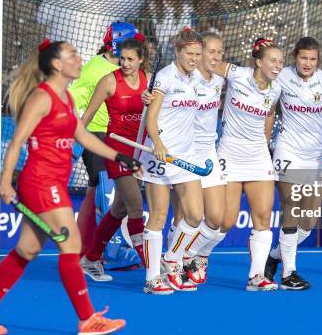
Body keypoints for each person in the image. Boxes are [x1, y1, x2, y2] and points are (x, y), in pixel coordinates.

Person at [0, 40, 141, 335]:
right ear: (57, 65)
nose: (78, 58)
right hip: (41, 182)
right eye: (71, 55)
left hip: (53, 182)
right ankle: (88, 319)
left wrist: (117, 155)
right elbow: (16, 142)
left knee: (26, 250)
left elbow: (82, 136)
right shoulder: (41, 98)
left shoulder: (67, 98)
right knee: (71, 246)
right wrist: (7, 180)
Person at [266, 36, 322, 290]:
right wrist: (264, 143)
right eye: (303, 58)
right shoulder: (282, 76)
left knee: (309, 222)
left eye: (312, 59)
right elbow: (269, 109)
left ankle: (274, 257)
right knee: (291, 208)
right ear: (296, 57)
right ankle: (289, 273)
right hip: (287, 150)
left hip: (315, 155)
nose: (308, 63)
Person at [153, 32, 228, 285]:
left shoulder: (218, 80)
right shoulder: (185, 77)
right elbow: (159, 99)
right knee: (182, 216)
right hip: (184, 150)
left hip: (208, 151)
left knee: (217, 219)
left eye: (220, 52)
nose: (215, 57)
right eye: (211, 52)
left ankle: (189, 255)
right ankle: (172, 263)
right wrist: (147, 98)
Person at [214, 38, 283, 291]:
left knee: (264, 217)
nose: (278, 65)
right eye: (273, 60)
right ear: (259, 61)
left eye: (280, 61)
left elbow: (271, 112)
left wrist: (265, 142)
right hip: (230, 151)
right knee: (226, 220)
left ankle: (256, 276)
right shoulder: (237, 74)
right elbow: (209, 65)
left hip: (258, 155)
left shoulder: (275, 89)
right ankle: (195, 257)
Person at [80, 36, 151, 281]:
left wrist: (151, 105)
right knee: (136, 207)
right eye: (122, 58)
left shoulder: (149, 81)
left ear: (141, 60)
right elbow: (86, 118)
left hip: (139, 152)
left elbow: (157, 116)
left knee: (118, 209)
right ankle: (153, 270)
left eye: (131, 59)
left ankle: (90, 260)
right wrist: (69, 145)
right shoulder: (109, 81)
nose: (125, 63)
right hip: (116, 151)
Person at [140, 28, 205, 295]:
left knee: (195, 215)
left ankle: (172, 259)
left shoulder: (198, 78)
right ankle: (152, 278)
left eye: (197, 54)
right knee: (158, 216)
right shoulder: (165, 77)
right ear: (177, 52)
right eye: (189, 53)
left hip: (186, 156)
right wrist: (158, 144)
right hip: (159, 154)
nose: (193, 58)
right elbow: (151, 119)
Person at [69, 22, 141, 259]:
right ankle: (108, 254)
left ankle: (88, 251)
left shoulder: (129, 70)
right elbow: (72, 99)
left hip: (121, 139)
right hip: (98, 136)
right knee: (105, 194)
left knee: (101, 196)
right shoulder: (95, 69)